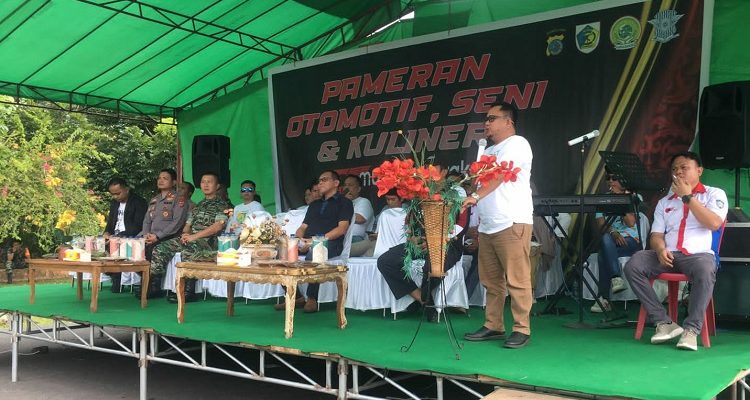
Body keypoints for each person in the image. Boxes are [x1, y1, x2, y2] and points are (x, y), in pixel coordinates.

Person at [624, 152, 727, 351]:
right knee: (634, 264)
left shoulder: (714, 194)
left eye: (684, 168)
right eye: (674, 169)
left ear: (699, 170)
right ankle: (663, 322)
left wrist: (687, 197)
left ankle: (691, 330)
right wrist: (660, 249)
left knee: (706, 269)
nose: (678, 172)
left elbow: (714, 223)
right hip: (668, 255)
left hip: (698, 256)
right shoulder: (665, 202)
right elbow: (656, 235)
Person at [461, 101, 534, 349]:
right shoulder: (488, 150)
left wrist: (475, 196)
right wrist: (473, 183)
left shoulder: (517, 144)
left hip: (511, 221)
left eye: (492, 118)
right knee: (491, 281)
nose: (487, 123)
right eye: (486, 119)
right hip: (488, 224)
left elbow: (501, 176)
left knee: (517, 279)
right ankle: (493, 324)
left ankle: (521, 328)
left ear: (508, 121)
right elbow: (479, 184)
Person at [140, 172, 230, 300]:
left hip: (209, 241)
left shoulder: (222, 205)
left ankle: (188, 291)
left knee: (188, 249)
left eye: (209, 182)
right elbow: (188, 224)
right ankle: (155, 286)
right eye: (203, 182)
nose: (205, 185)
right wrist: (185, 234)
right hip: (193, 238)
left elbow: (217, 227)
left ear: (217, 186)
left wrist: (194, 237)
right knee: (160, 248)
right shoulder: (199, 205)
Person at [274, 170, 353, 313]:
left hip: (330, 243)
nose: (320, 183)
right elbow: (302, 227)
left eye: (324, 180)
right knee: (280, 252)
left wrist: (315, 241)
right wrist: (299, 241)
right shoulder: (315, 204)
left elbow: (342, 229)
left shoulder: (344, 202)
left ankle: (312, 298)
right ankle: (295, 296)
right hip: (307, 241)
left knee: (315, 252)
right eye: (319, 180)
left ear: (336, 183)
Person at [591, 169, 643, 312]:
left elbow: (630, 223)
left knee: (603, 253)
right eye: (608, 178)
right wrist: (613, 232)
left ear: (623, 180)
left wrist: (621, 200)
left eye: (614, 178)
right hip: (611, 240)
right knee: (605, 240)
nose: (610, 181)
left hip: (631, 240)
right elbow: (601, 224)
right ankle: (616, 278)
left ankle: (603, 298)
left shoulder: (634, 197)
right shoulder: (602, 199)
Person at [140, 168, 189, 260]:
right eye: (159, 178)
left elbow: (177, 222)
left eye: (165, 178)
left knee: (152, 250)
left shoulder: (179, 199)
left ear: (174, 182)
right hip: (151, 237)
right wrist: (146, 235)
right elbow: (147, 220)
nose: (161, 180)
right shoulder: (154, 200)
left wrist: (158, 236)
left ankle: (152, 271)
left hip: (168, 237)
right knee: (134, 247)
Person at [343, 175, 374, 257]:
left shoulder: (363, 201)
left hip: (357, 239)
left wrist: (345, 204)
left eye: (350, 185)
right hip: (342, 238)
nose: (347, 188)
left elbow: (360, 219)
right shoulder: (341, 203)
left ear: (359, 189)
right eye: (345, 185)